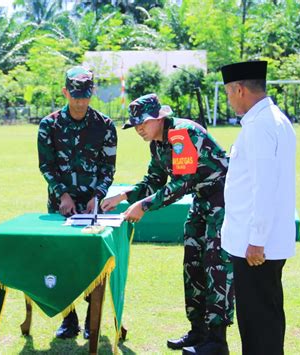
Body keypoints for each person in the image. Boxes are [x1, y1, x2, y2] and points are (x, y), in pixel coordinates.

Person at [101, 94, 234, 355]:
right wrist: (124, 196)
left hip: (222, 201)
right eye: (136, 124)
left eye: (143, 122)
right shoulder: (158, 143)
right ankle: (198, 332)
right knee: (193, 264)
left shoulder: (181, 134)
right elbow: (154, 180)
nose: (139, 128)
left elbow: (181, 184)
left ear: (159, 118)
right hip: (201, 201)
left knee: (216, 266)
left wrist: (144, 206)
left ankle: (217, 342)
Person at [220, 60, 297, 355]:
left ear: (239, 89)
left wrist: (257, 240)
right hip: (261, 241)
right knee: (267, 316)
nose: (229, 100)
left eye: (229, 93)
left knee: (257, 321)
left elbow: (264, 188)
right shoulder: (275, 120)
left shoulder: (260, 126)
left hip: (255, 246)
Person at [37, 66, 118, 340]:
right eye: (74, 96)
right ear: (65, 92)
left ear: (92, 92)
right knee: (60, 261)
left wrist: (97, 196)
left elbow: (108, 168)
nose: (80, 102)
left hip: (90, 208)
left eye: (84, 96)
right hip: (61, 205)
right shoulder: (49, 125)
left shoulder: (105, 126)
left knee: (90, 262)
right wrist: (62, 194)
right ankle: (68, 319)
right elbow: (46, 165)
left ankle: (89, 319)